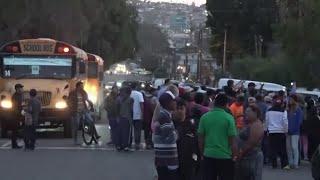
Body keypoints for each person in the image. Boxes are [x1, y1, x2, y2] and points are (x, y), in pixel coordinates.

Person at [198, 93, 238, 180]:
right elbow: (232, 140)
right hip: (225, 156)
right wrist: (235, 155)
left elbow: (200, 138)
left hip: (208, 155)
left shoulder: (204, 117)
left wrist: (202, 153)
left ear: (214, 103)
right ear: (226, 104)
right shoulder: (229, 118)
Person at [153, 91, 179, 180]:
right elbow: (170, 138)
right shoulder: (164, 117)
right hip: (167, 159)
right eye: (174, 101)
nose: (176, 103)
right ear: (168, 103)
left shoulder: (165, 115)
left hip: (164, 158)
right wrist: (176, 133)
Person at [235, 105, 264, 180]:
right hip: (246, 157)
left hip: (252, 157)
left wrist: (240, 154)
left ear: (255, 112)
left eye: (248, 111)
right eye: (245, 111)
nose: (245, 113)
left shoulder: (257, 125)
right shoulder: (250, 123)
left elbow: (251, 143)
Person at [173, 99, 199, 180]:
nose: (179, 111)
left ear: (185, 110)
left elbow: (197, 141)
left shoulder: (192, 125)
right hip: (174, 160)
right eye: (177, 108)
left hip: (189, 161)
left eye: (181, 108)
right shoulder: (171, 124)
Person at [266, 96, 289, 169]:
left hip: (272, 131)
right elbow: (285, 122)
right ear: (281, 104)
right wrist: (286, 131)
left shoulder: (269, 111)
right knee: (282, 148)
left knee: (273, 148)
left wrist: (267, 130)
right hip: (281, 131)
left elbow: (267, 121)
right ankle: (284, 164)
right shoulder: (283, 111)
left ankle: (274, 164)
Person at [286, 94, 303, 169]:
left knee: (294, 147)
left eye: (291, 99)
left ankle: (296, 163)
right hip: (288, 131)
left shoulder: (298, 109)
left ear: (294, 100)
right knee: (288, 148)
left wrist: (294, 129)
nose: (289, 101)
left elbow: (299, 121)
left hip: (295, 132)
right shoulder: (288, 109)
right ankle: (290, 163)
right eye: (289, 99)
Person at [115, 86, 133, 151]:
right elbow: (131, 110)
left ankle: (118, 145)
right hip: (127, 118)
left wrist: (117, 117)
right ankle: (125, 146)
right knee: (126, 133)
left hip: (120, 117)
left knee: (119, 132)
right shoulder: (130, 99)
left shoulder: (118, 99)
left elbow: (116, 109)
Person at [130, 82, 144, 150]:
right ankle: (137, 144)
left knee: (129, 130)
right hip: (138, 115)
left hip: (129, 115)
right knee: (137, 130)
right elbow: (141, 104)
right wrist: (142, 114)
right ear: (136, 87)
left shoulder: (129, 94)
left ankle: (129, 143)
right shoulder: (139, 94)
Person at [10, 83, 24, 149]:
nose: (22, 89)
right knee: (14, 131)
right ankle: (14, 145)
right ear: (17, 89)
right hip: (15, 116)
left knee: (16, 130)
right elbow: (15, 107)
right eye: (21, 88)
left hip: (17, 115)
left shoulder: (19, 95)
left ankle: (15, 144)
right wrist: (19, 114)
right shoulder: (15, 96)